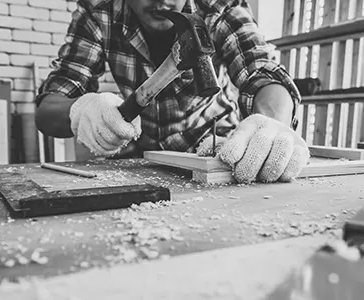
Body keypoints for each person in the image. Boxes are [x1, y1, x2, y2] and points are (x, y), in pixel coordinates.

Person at [34, 0, 310, 184]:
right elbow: (48, 107)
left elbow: (262, 72)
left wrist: (272, 123)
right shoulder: (99, 12)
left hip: (215, 151)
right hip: (141, 157)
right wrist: (79, 111)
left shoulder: (218, 7)